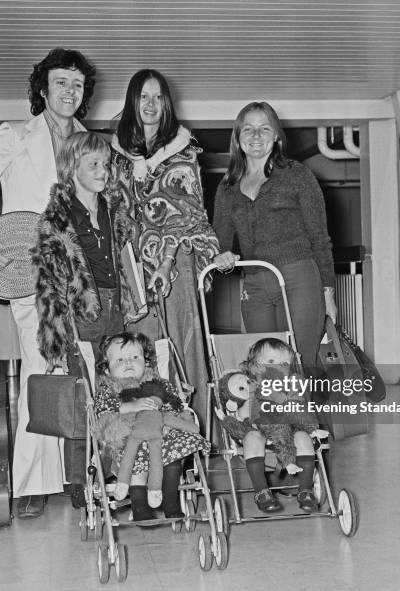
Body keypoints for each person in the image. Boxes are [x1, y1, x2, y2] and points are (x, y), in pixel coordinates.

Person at [0, 48, 96, 518]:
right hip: (30, 272)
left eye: (76, 84)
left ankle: (85, 475)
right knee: (39, 369)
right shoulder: (14, 136)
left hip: (86, 274)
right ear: (42, 89)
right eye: (60, 83)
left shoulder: (93, 143)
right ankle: (33, 482)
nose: (69, 92)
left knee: (89, 371)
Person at [31, 131, 146, 508]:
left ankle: (114, 478)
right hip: (80, 315)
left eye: (106, 163)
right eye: (93, 164)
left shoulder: (115, 209)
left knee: (116, 393)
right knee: (82, 399)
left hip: (115, 310)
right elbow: (48, 287)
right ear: (72, 168)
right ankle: (81, 485)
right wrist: (57, 343)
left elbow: (127, 259)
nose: (103, 170)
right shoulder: (57, 219)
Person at [109, 69, 219, 426]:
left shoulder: (183, 152)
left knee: (184, 347)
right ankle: (148, 436)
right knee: (141, 352)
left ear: (166, 103)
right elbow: (114, 211)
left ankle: (194, 437)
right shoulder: (117, 156)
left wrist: (167, 260)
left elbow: (190, 215)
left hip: (176, 262)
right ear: (132, 102)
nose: (151, 104)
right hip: (134, 268)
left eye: (157, 97)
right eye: (143, 97)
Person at [213, 101, 337, 371]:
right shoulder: (227, 187)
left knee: (300, 363)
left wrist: (327, 295)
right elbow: (218, 244)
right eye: (248, 129)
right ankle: (271, 414)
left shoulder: (297, 175)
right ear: (238, 137)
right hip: (255, 285)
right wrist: (221, 257)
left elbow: (320, 238)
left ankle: (305, 414)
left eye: (264, 129)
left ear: (277, 137)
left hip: (299, 278)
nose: (256, 136)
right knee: (263, 366)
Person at [94, 331, 210, 522]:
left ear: (146, 362)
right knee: (135, 464)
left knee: (175, 456)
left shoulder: (158, 384)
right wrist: (129, 406)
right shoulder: (108, 389)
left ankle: (171, 502)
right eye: (120, 360)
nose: (128, 363)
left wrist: (169, 420)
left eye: (134, 357)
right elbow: (102, 413)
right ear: (107, 370)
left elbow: (174, 404)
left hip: (161, 434)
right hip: (129, 438)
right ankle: (140, 506)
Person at [215, 337, 324, 514]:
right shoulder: (251, 385)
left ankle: (306, 490)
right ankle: (262, 492)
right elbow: (243, 415)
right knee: (252, 437)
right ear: (255, 366)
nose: (278, 366)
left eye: (284, 362)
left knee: (303, 437)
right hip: (257, 429)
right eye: (271, 361)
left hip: (288, 429)